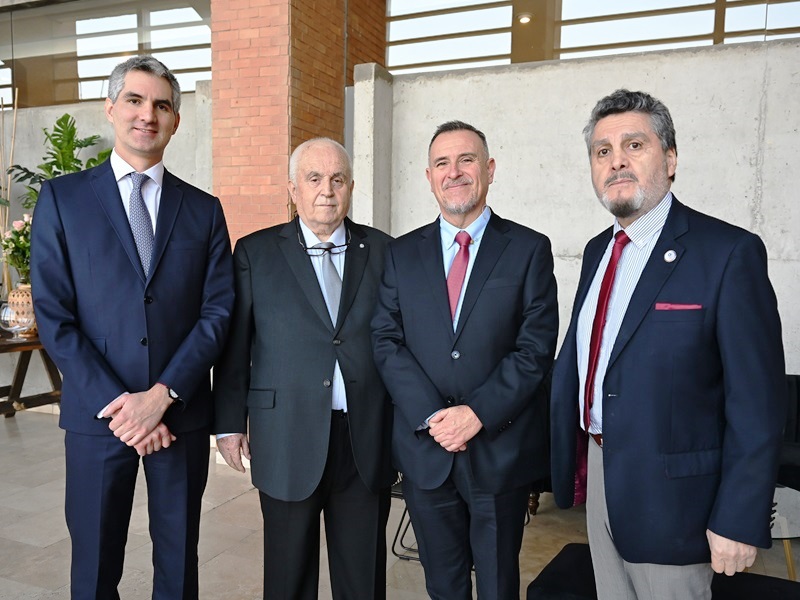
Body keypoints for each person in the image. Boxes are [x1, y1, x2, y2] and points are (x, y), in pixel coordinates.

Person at [550, 89, 786, 600]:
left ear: (671, 159)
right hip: (602, 478)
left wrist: (739, 516)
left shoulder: (728, 254)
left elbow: (757, 402)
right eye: (602, 151)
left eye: (634, 145)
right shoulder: (597, 251)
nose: (616, 161)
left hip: (677, 501)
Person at [30, 55, 235, 599]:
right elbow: (54, 315)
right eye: (135, 100)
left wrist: (161, 396)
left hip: (180, 415)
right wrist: (125, 406)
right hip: (99, 417)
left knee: (179, 564)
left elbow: (217, 313)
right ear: (110, 108)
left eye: (162, 106)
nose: (148, 115)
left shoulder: (204, 210)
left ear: (176, 121)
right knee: (94, 567)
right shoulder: (63, 199)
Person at [372, 120, 558, 599]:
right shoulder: (400, 254)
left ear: (489, 169)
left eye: (466, 160)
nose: (453, 172)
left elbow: (535, 348)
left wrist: (477, 413)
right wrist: (434, 416)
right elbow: (386, 340)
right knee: (443, 584)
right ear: (429, 177)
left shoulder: (529, 249)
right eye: (442, 163)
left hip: (498, 451)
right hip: (427, 450)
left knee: (498, 585)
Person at [213, 138, 394, 600]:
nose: (326, 191)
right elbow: (235, 347)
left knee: (363, 580)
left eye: (337, 179)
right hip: (285, 434)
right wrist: (229, 424)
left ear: (350, 186)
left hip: (364, 437)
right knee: (288, 577)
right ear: (293, 189)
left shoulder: (384, 250)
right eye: (314, 179)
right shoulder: (254, 252)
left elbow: (399, 343)